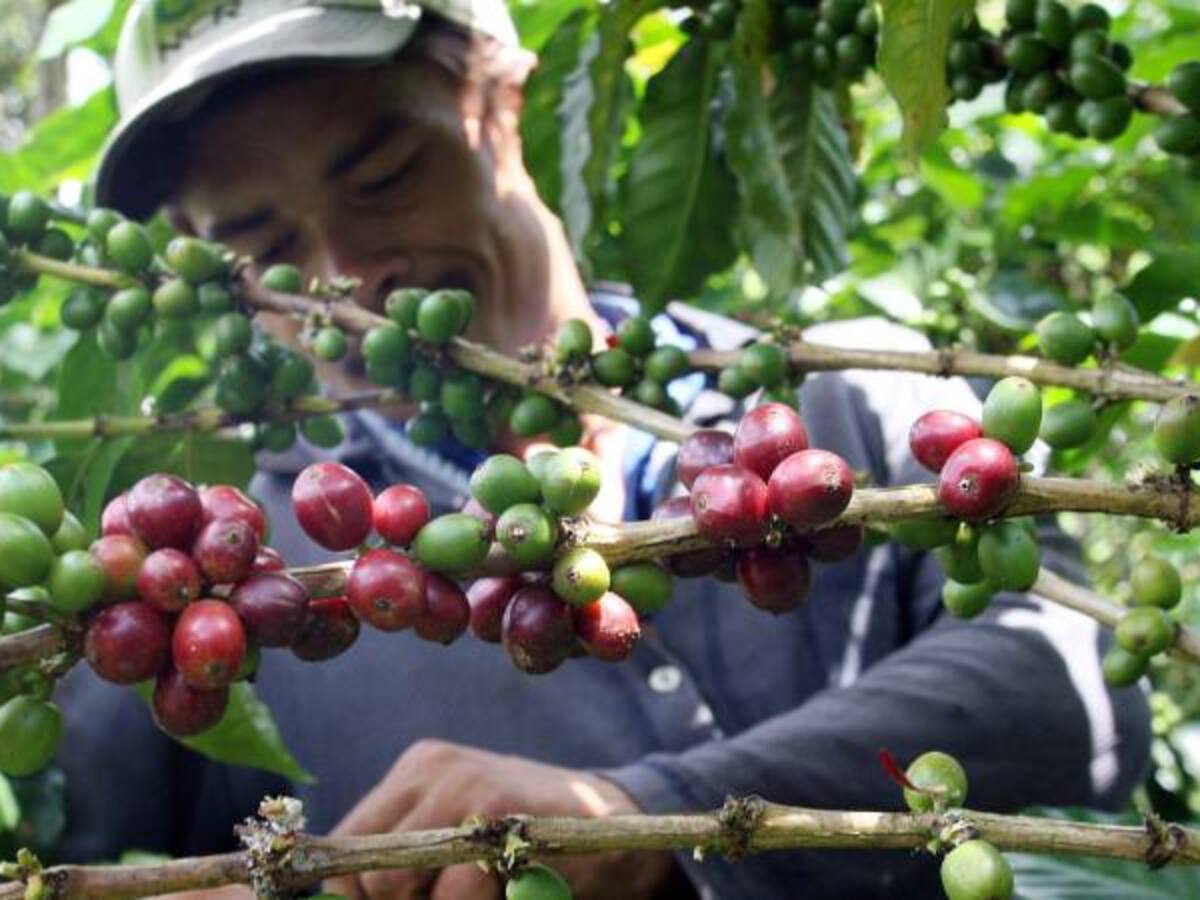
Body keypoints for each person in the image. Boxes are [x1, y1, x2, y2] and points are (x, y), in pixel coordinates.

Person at [48, 1, 1150, 897]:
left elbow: (1074, 688)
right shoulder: (241, 572)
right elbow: (60, 845)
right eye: (265, 249)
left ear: (504, 101)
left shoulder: (852, 400)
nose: (343, 278)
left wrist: (646, 815)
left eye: (383, 177)